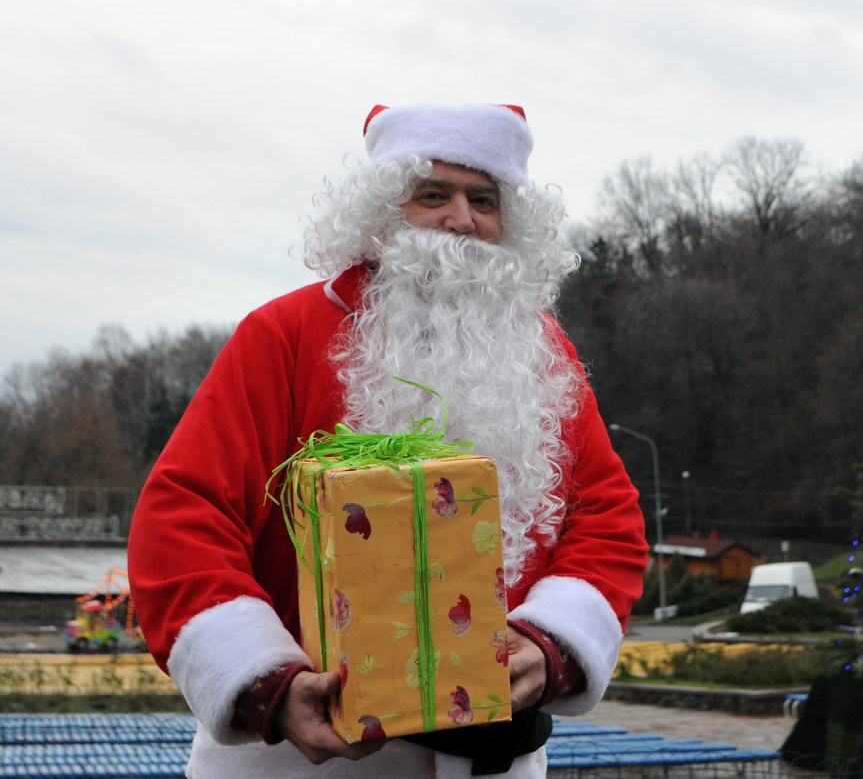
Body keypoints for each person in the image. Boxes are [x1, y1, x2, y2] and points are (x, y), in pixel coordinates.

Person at [128, 103, 648, 778]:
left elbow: (606, 520)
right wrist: (269, 684)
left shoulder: (544, 352)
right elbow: (183, 519)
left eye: (483, 200)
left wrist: (547, 644)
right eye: (433, 194)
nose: (461, 219)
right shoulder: (282, 336)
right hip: (303, 761)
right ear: (381, 211)